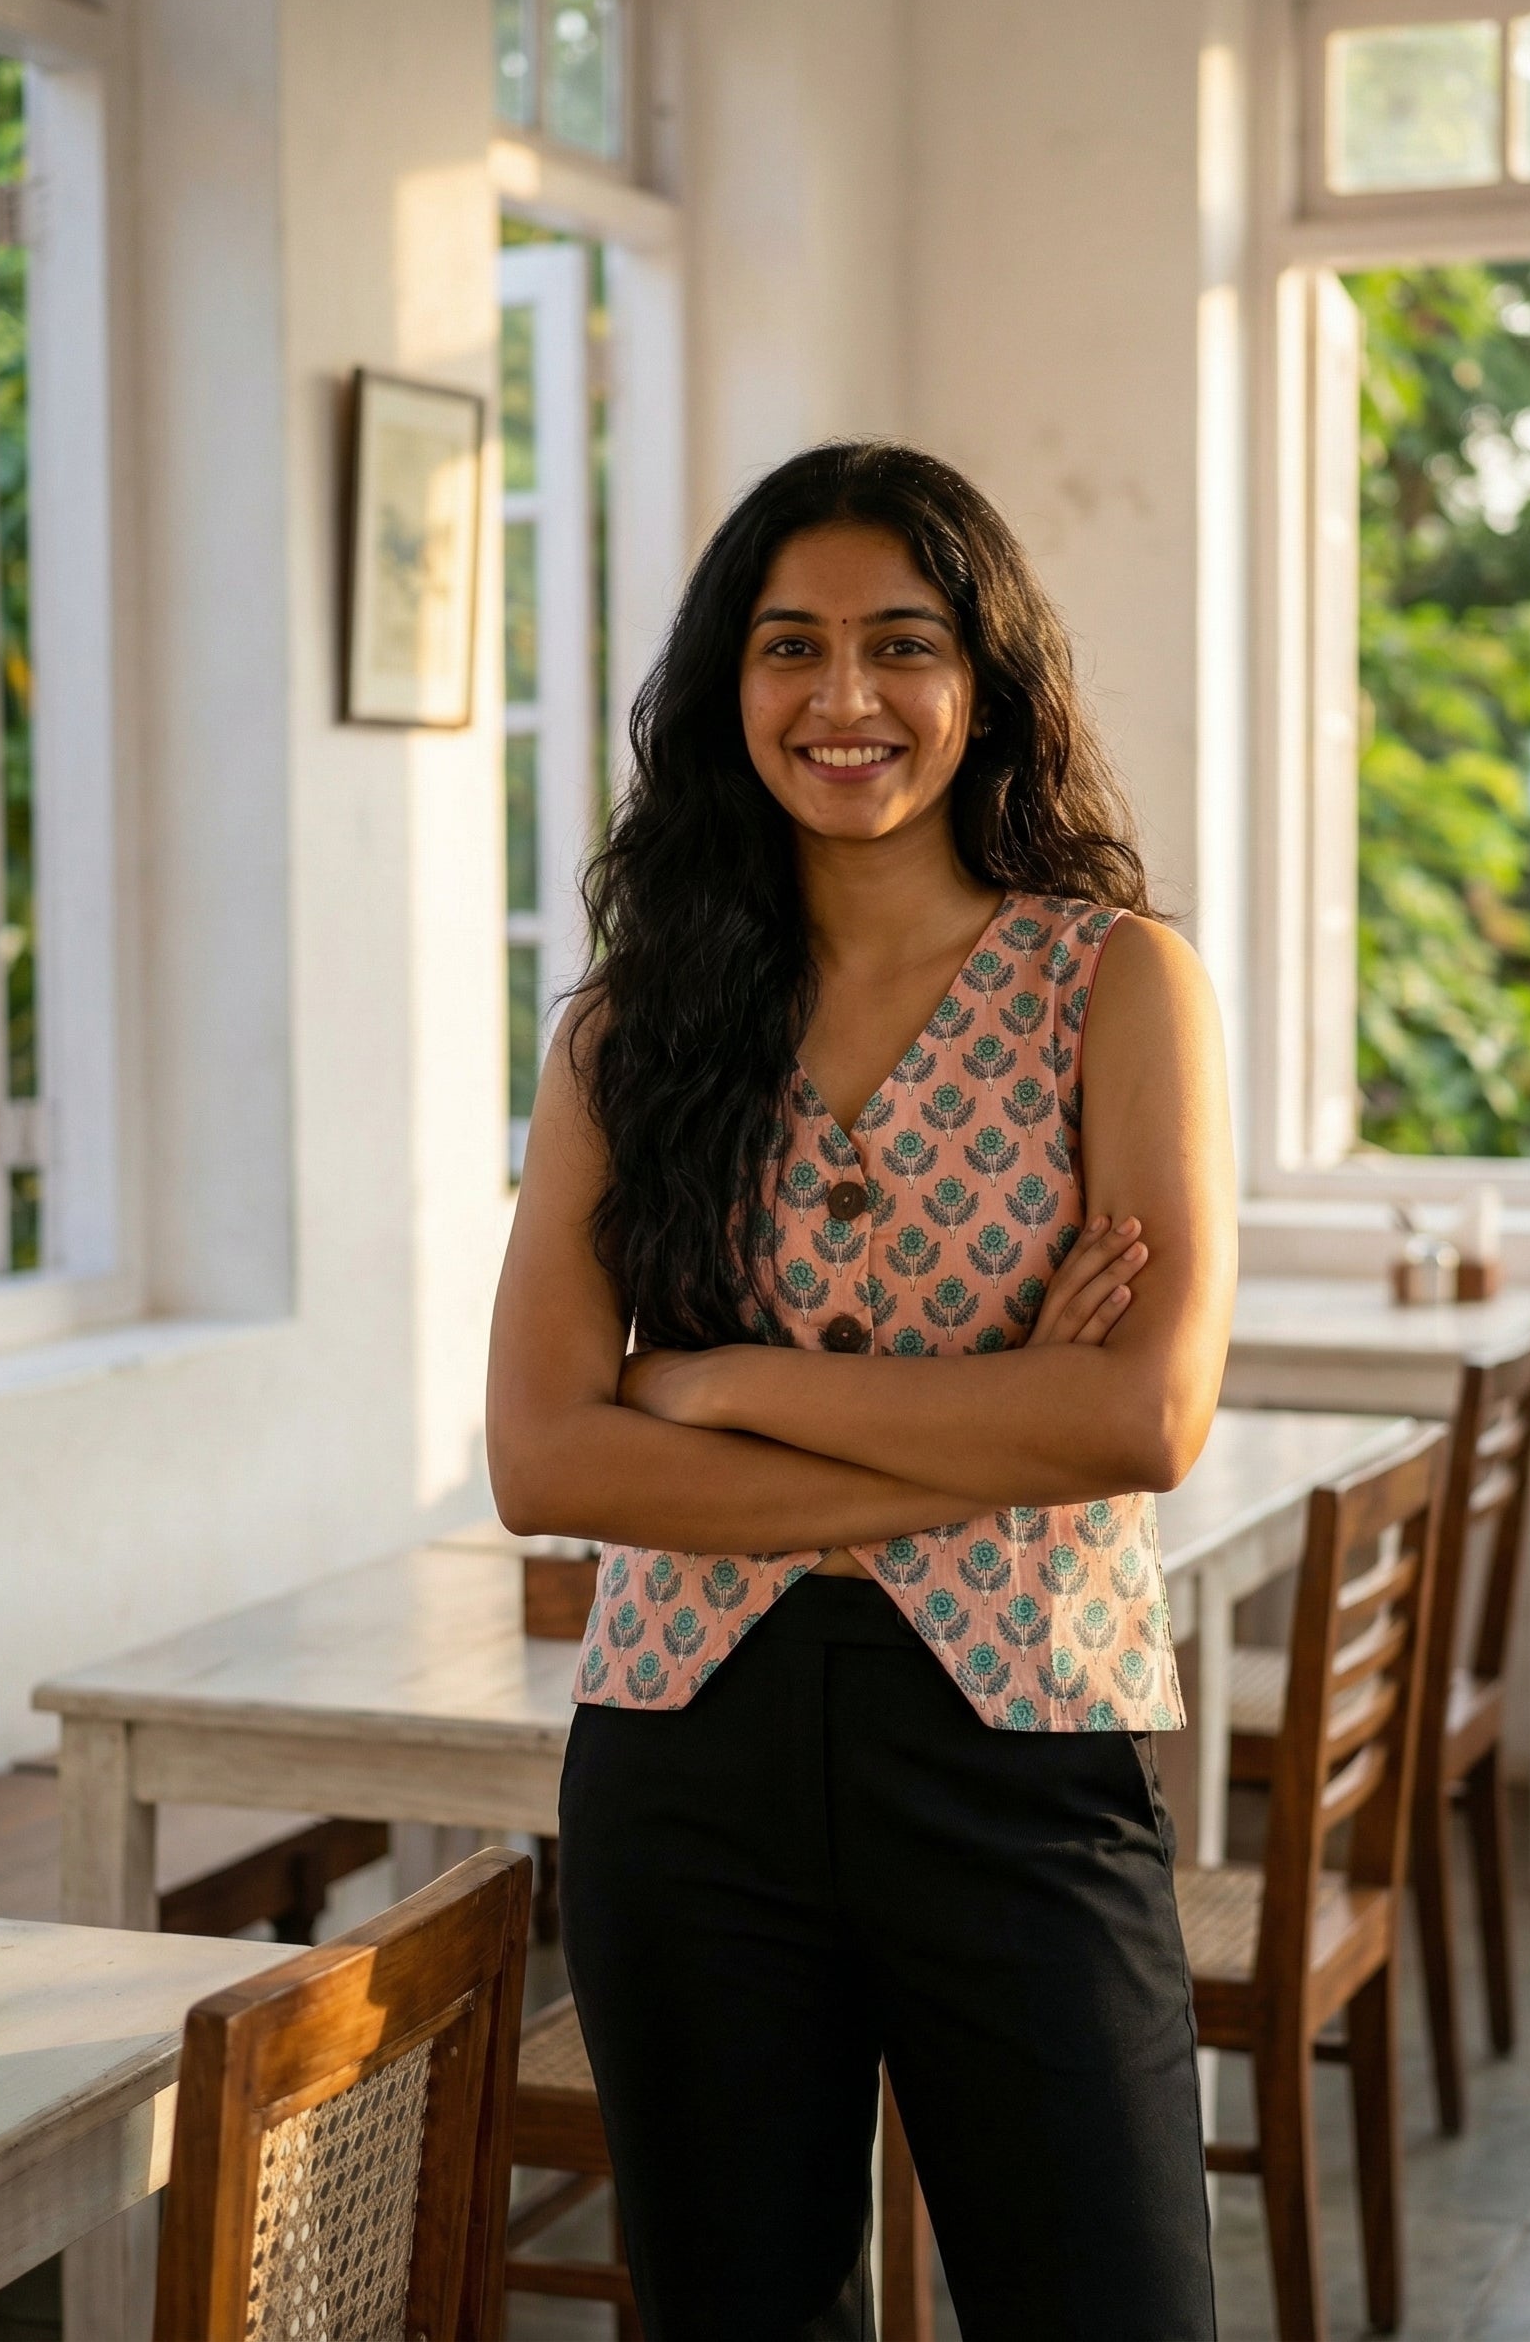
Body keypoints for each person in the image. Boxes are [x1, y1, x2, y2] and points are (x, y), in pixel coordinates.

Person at [488, 440, 1236, 2341]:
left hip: (1020, 1746)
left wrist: (714, 1383)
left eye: (901, 645)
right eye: (788, 646)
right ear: (724, 688)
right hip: (687, 1760)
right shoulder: (630, 1025)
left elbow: (1141, 1423)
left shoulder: (1118, 983)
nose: (844, 700)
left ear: (983, 681)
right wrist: (999, 1426)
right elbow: (542, 1454)